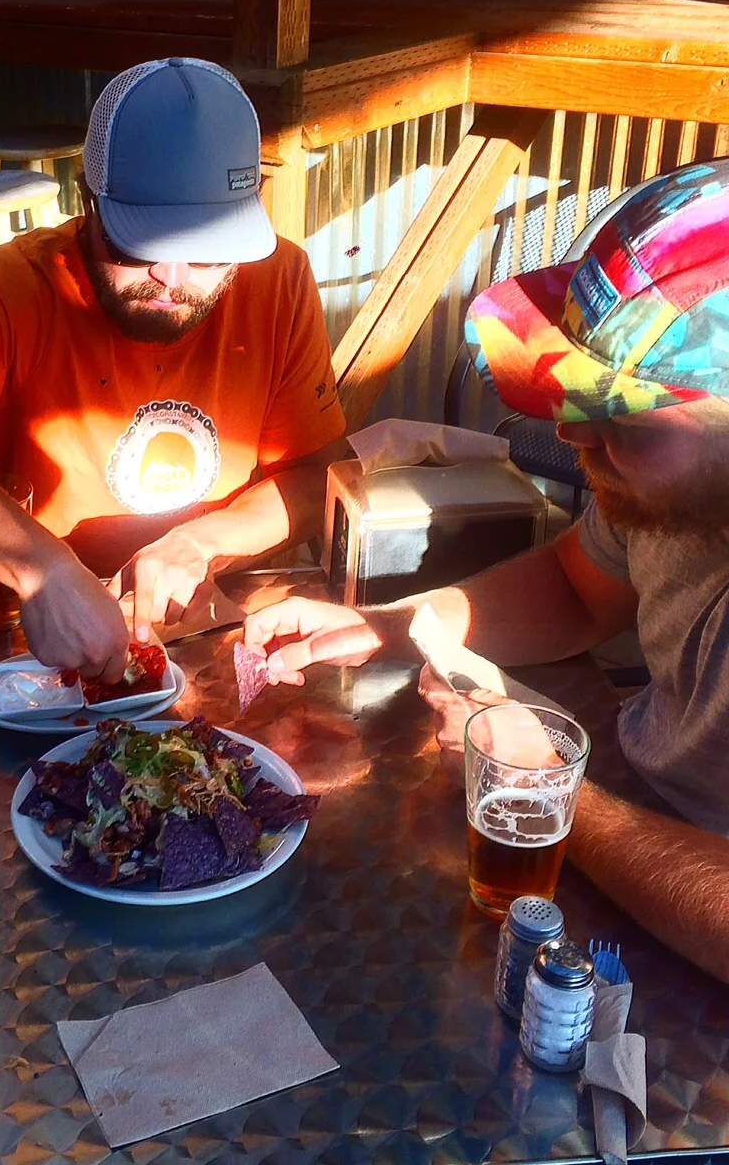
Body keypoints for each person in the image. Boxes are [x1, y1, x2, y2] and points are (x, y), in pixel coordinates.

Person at [243, 159, 729, 985]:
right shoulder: (678, 486)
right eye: (573, 398)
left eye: (624, 414)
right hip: (620, 848)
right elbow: (576, 589)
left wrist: (547, 798)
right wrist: (392, 627)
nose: (576, 438)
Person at [0, 58, 347, 683]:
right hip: (55, 638)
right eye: (140, 243)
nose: (174, 277)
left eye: (211, 250)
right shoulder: (22, 284)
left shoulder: (279, 280)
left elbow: (317, 474)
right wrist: (40, 569)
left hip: (227, 623)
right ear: (89, 200)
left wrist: (201, 541)